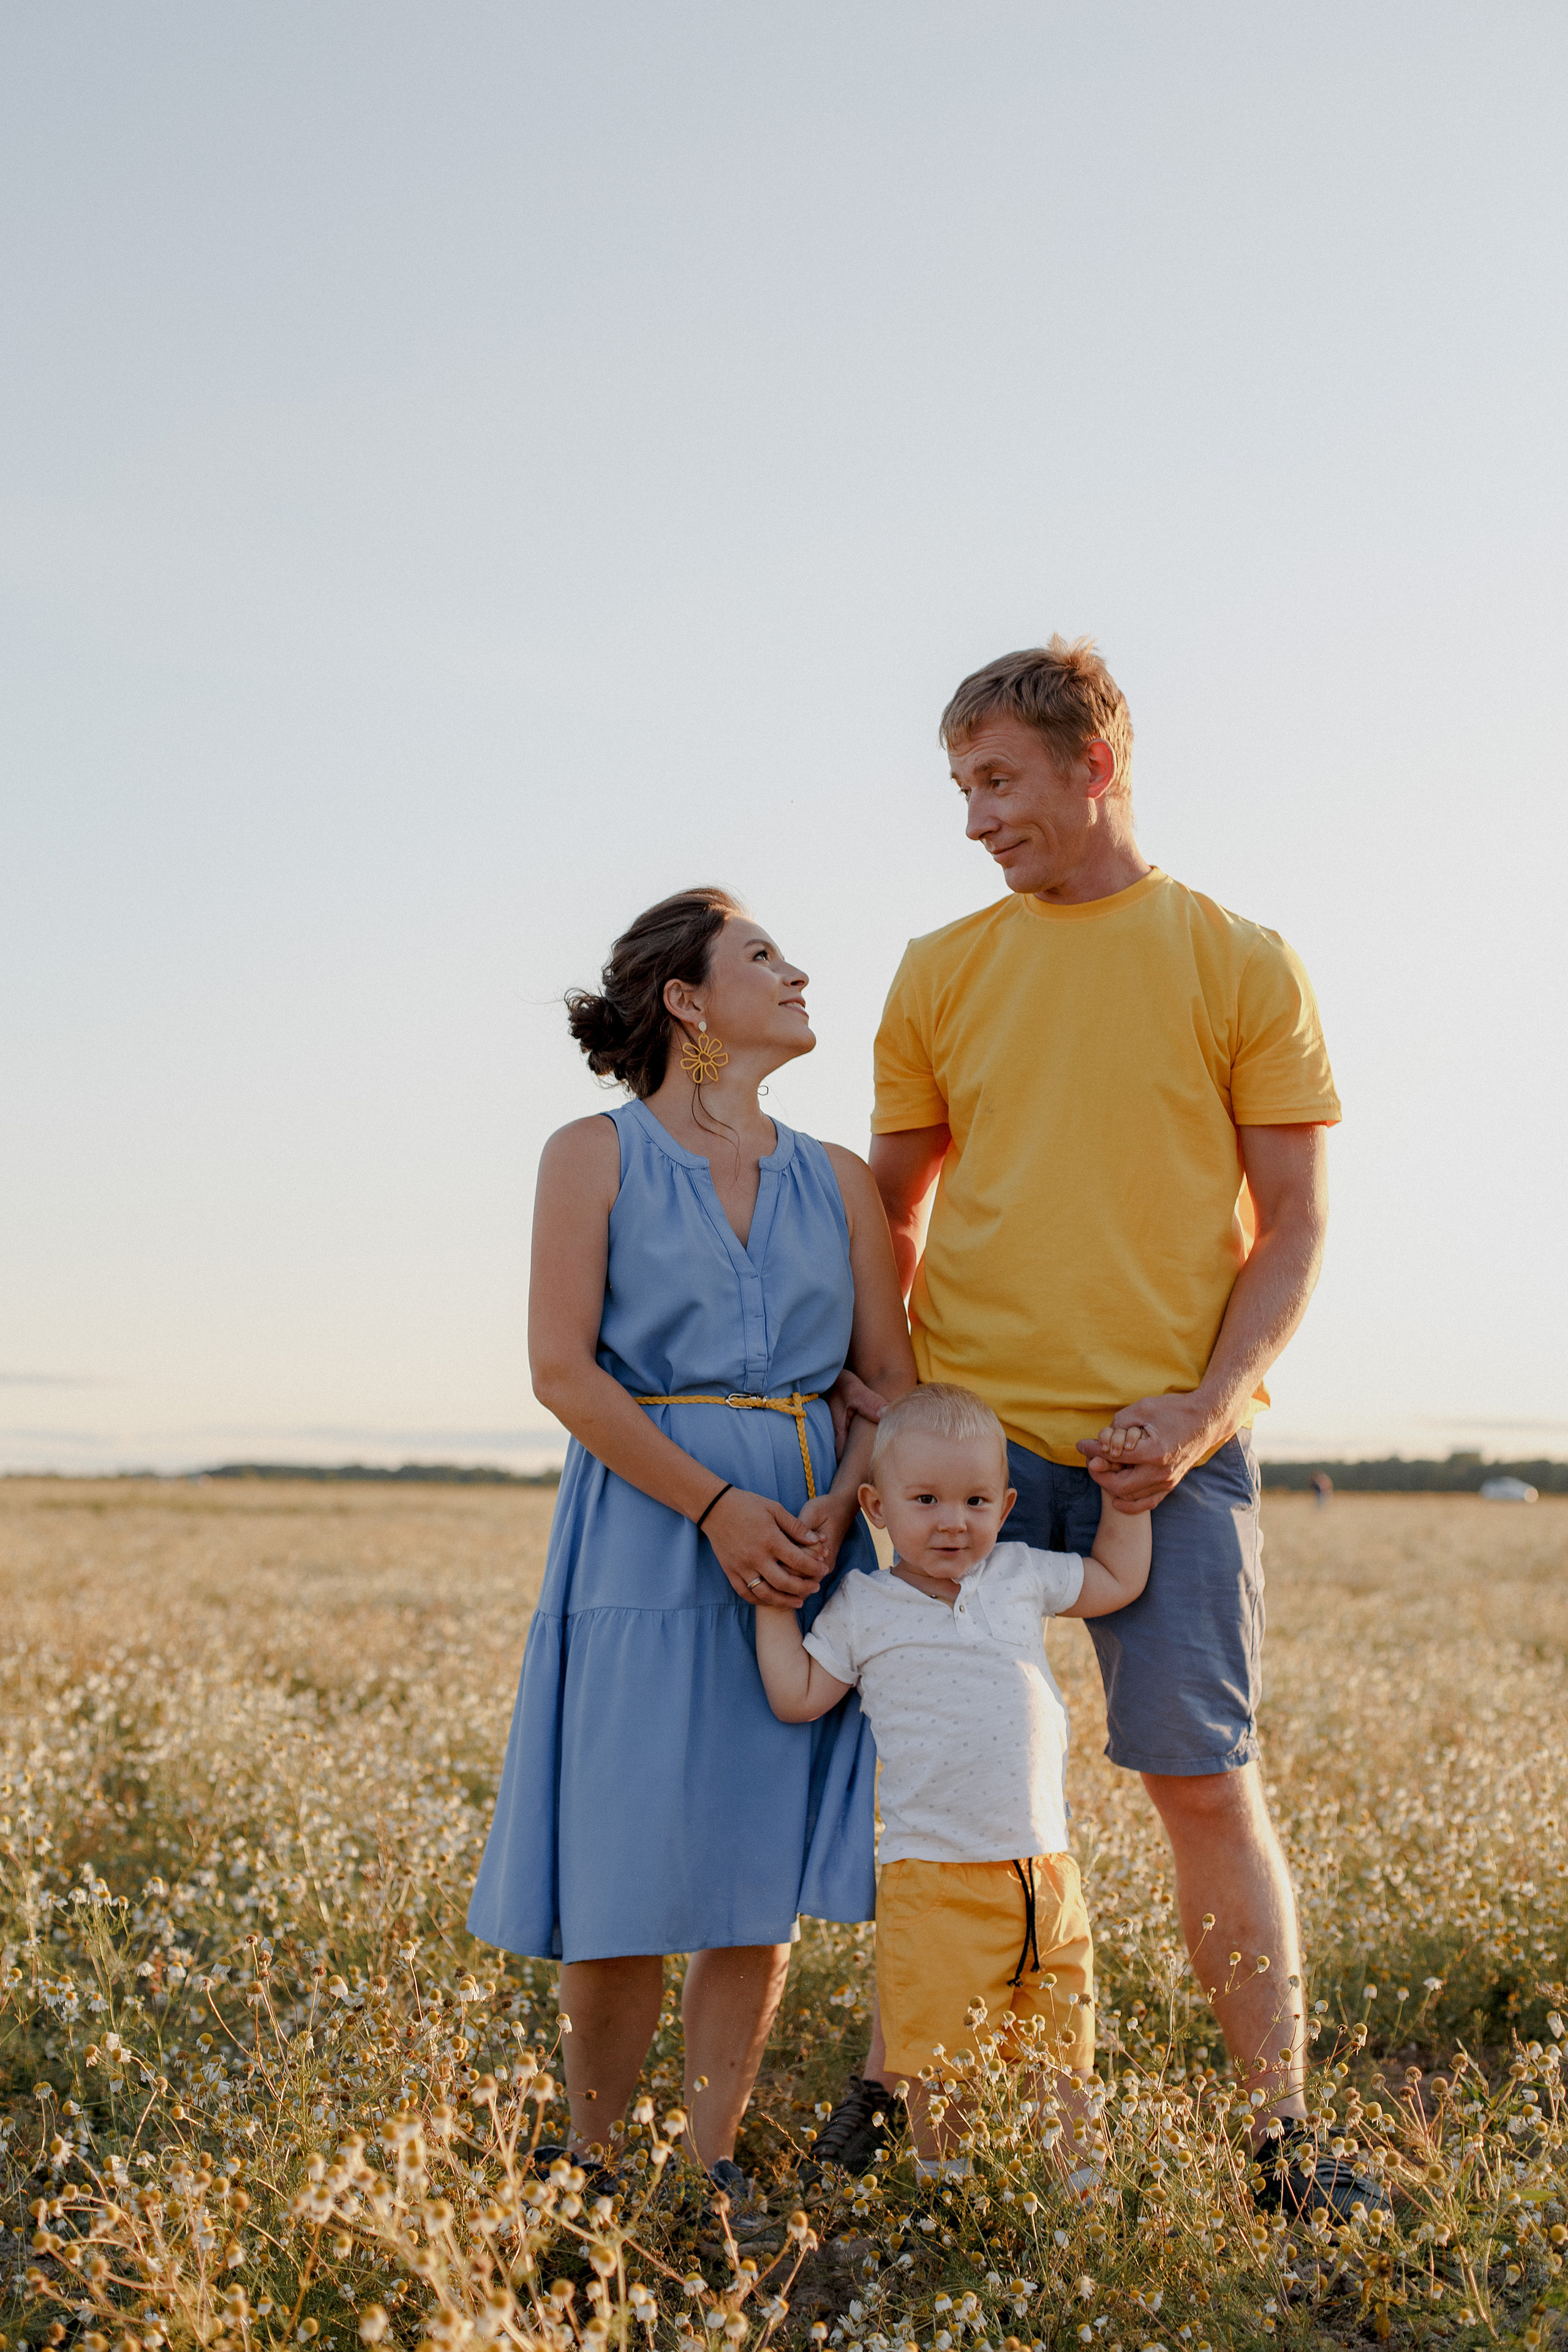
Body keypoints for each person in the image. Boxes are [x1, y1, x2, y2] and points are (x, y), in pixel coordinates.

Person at [820, 638, 1382, 2220]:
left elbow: (1290, 1224)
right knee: (930, 1770)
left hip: (1168, 1453)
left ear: (1095, 765)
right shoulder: (940, 967)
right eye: (961, 788)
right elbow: (891, 1215)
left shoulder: (1239, 959)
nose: (978, 818)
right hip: (967, 1452)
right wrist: (895, 1410)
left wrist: (1203, 1415)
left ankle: (1280, 2138)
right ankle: (887, 2082)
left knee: (1202, 1781)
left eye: (999, 781)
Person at [467, 886, 916, 2202]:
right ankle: (591, 2164)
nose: (798, 974)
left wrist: (833, 1516)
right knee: (617, 1859)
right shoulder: (589, 1154)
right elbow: (563, 1372)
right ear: (683, 998)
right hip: (642, 1539)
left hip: (806, 1544)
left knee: (749, 1870)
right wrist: (715, 1509)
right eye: (762, 957)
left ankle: (712, 2161)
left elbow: (885, 1388)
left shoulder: (838, 1180)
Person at [755, 1384, 1149, 2195]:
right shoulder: (866, 1608)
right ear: (876, 1505)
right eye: (926, 1500)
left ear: (1005, 1505)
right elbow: (796, 1694)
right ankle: (949, 2191)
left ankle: (1082, 2194)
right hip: (935, 1879)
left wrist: (1126, 1499)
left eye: (975, 1500)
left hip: (1045, 1872)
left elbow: (1115, 1579)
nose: (952, 1521)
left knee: (1065, 2050)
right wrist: (774, 1604)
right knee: (941, 2060)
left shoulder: (1016, 1573)